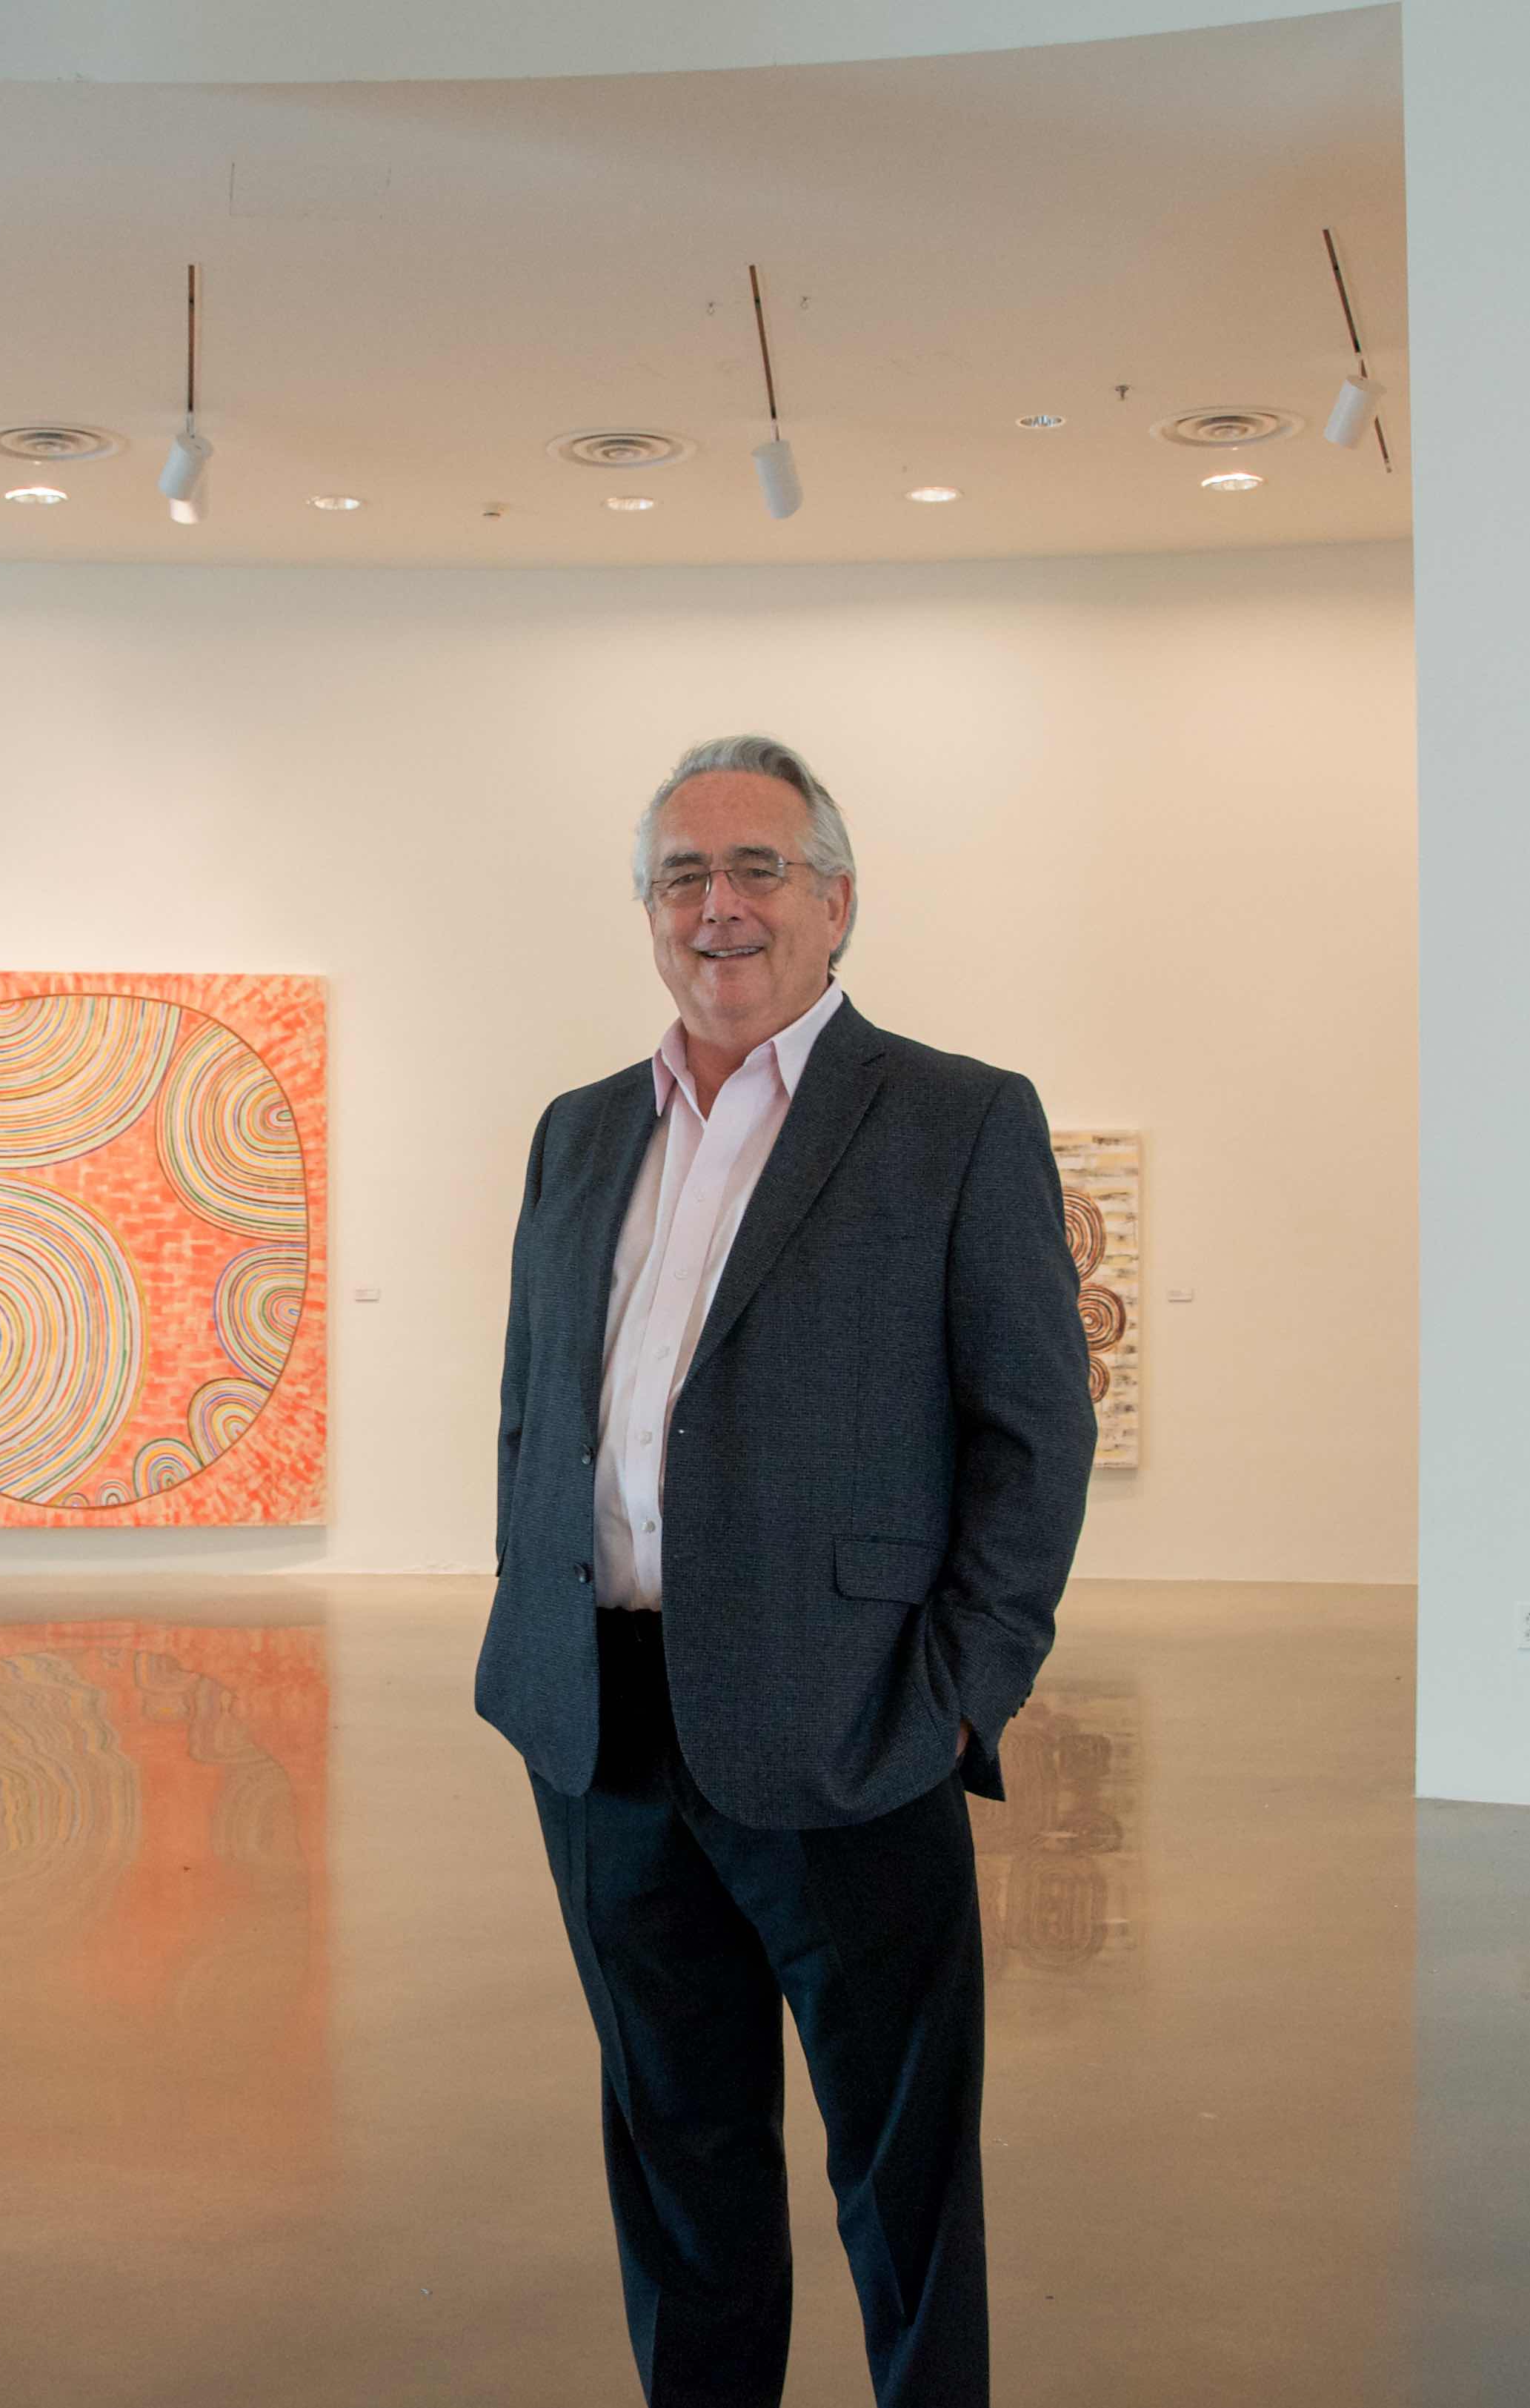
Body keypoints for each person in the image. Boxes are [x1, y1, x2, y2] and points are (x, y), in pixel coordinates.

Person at [479, 734, 1095, 2406]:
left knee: (898, 2175)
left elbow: (1030, 1440)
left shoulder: (954, 1120)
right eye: (681, 873)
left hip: (843, 1729)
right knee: (676, 2157)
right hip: (601, 1734)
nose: (718, 906)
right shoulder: (578, 1130)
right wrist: (528, 1622)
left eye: (756, 868)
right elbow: (540, 1410)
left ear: (836, 901)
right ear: (646, 911)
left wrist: (951, 1696)